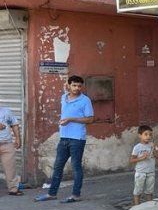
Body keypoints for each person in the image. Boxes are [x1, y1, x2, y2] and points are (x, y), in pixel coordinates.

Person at [35, 75, 94, 203]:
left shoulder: (85, 100)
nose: (77, 88)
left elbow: (90, 119)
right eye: (74, 85)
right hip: (64, 137)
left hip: (77, 139)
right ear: (68, 85)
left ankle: (75, 195)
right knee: (58, 166)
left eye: (79, 86)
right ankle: (52, 194)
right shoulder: (63, 97)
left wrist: (71, 119)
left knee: (76, 167)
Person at [130, 125, 158, 206]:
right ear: (140, 135)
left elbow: (157, 157)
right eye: (145, 134)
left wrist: (154, 148)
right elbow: (132, 160)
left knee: (149, 191)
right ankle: (136, 207)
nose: (148, 136)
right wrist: (142, 158)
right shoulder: (137, 147)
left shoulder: (153, 145)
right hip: (140, 173)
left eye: (150, 134)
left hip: (151, 172)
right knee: (138, 191)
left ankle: (149, 207)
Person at [0, 105, 23, 196]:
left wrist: (18, 138)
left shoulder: (6, 111)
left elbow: (14, 124)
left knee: (11, 168)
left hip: (7, 144)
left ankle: (13, 189)